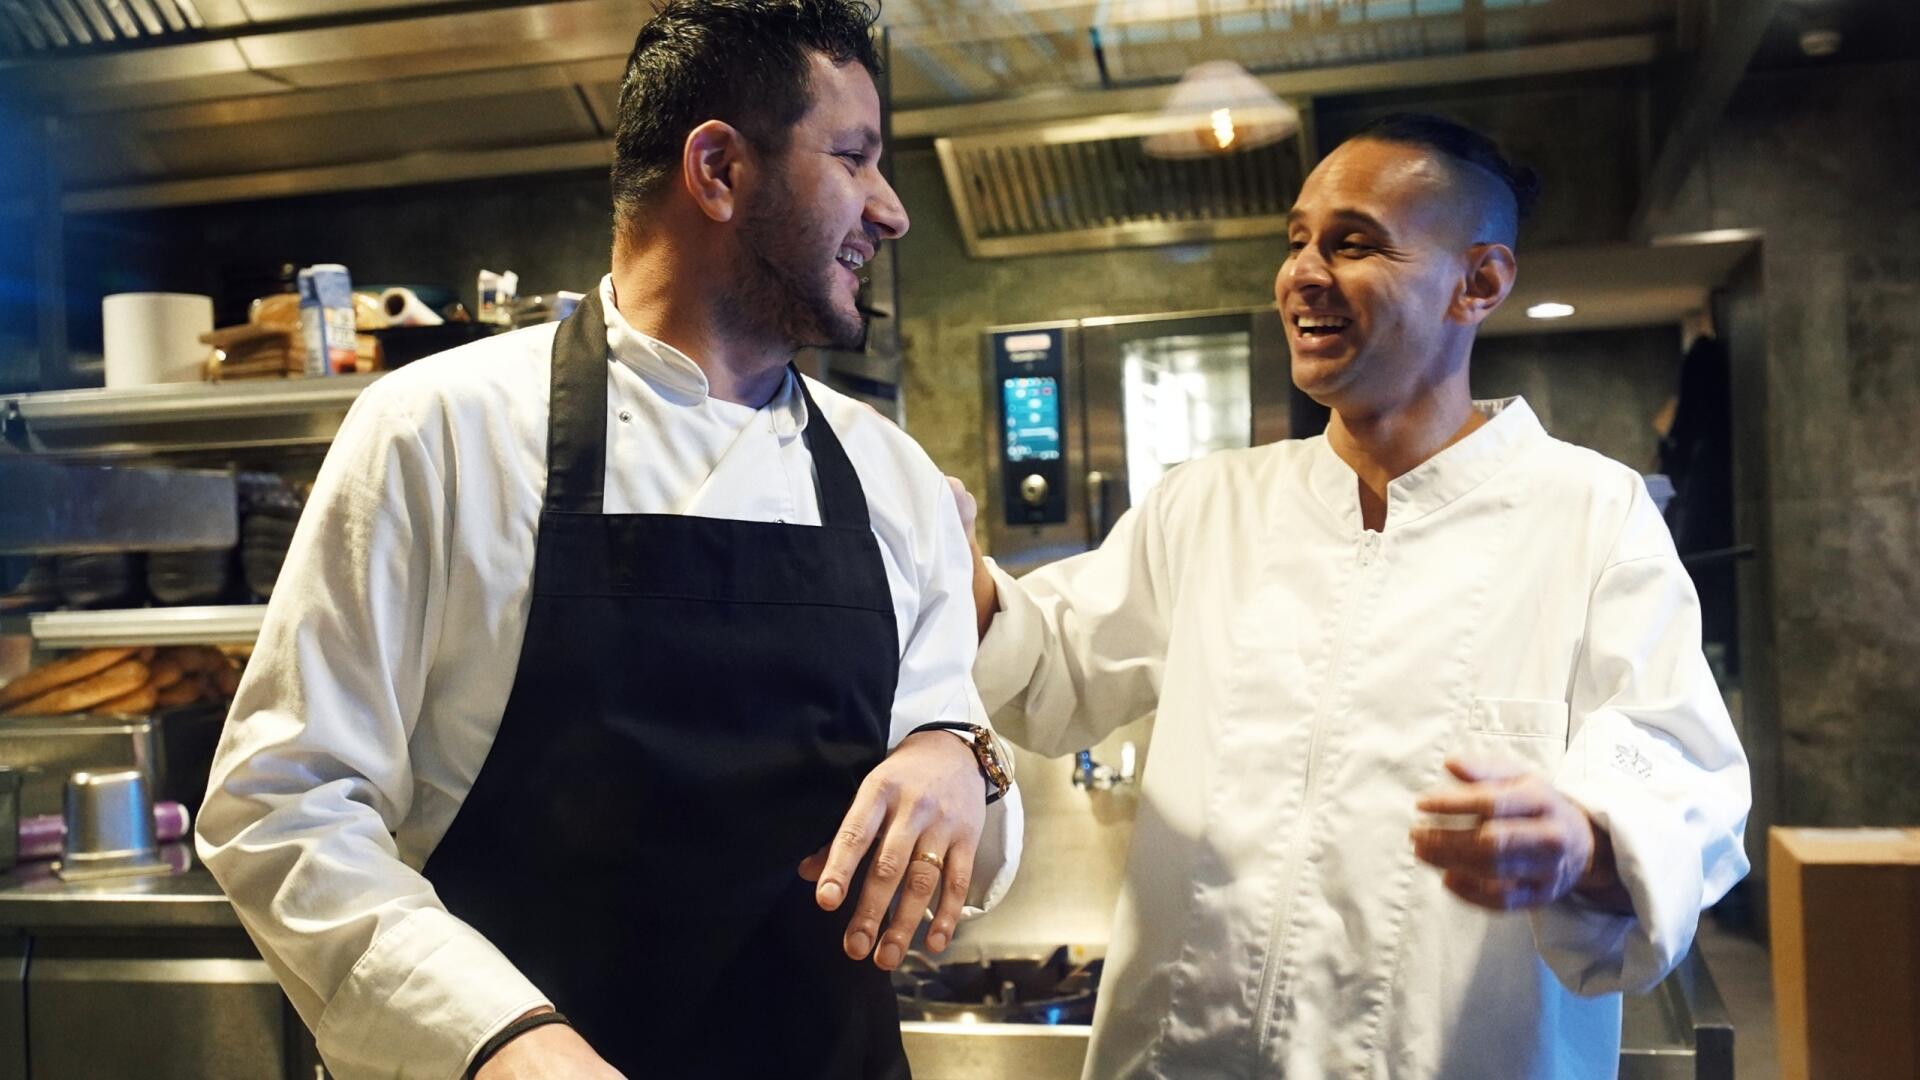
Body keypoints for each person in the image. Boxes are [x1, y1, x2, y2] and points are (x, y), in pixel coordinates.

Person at [197, 3, 1021, 1078]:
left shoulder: (892, 475)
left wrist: (961, 755)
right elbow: (282, 805)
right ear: (718, 170)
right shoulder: (440, 430)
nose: (892, 210)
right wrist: (497, 1040)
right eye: (854, 159)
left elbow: (970, 846)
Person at [958, 113, 1750, 1079]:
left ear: (1479, 282)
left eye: (1355, 243)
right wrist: (948, 562)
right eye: (1297, 240)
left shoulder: (1590, 514)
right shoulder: (1209, 505)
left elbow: (1682, 772)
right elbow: (1051, 661)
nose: (1301, 273)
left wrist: (1583, 840)